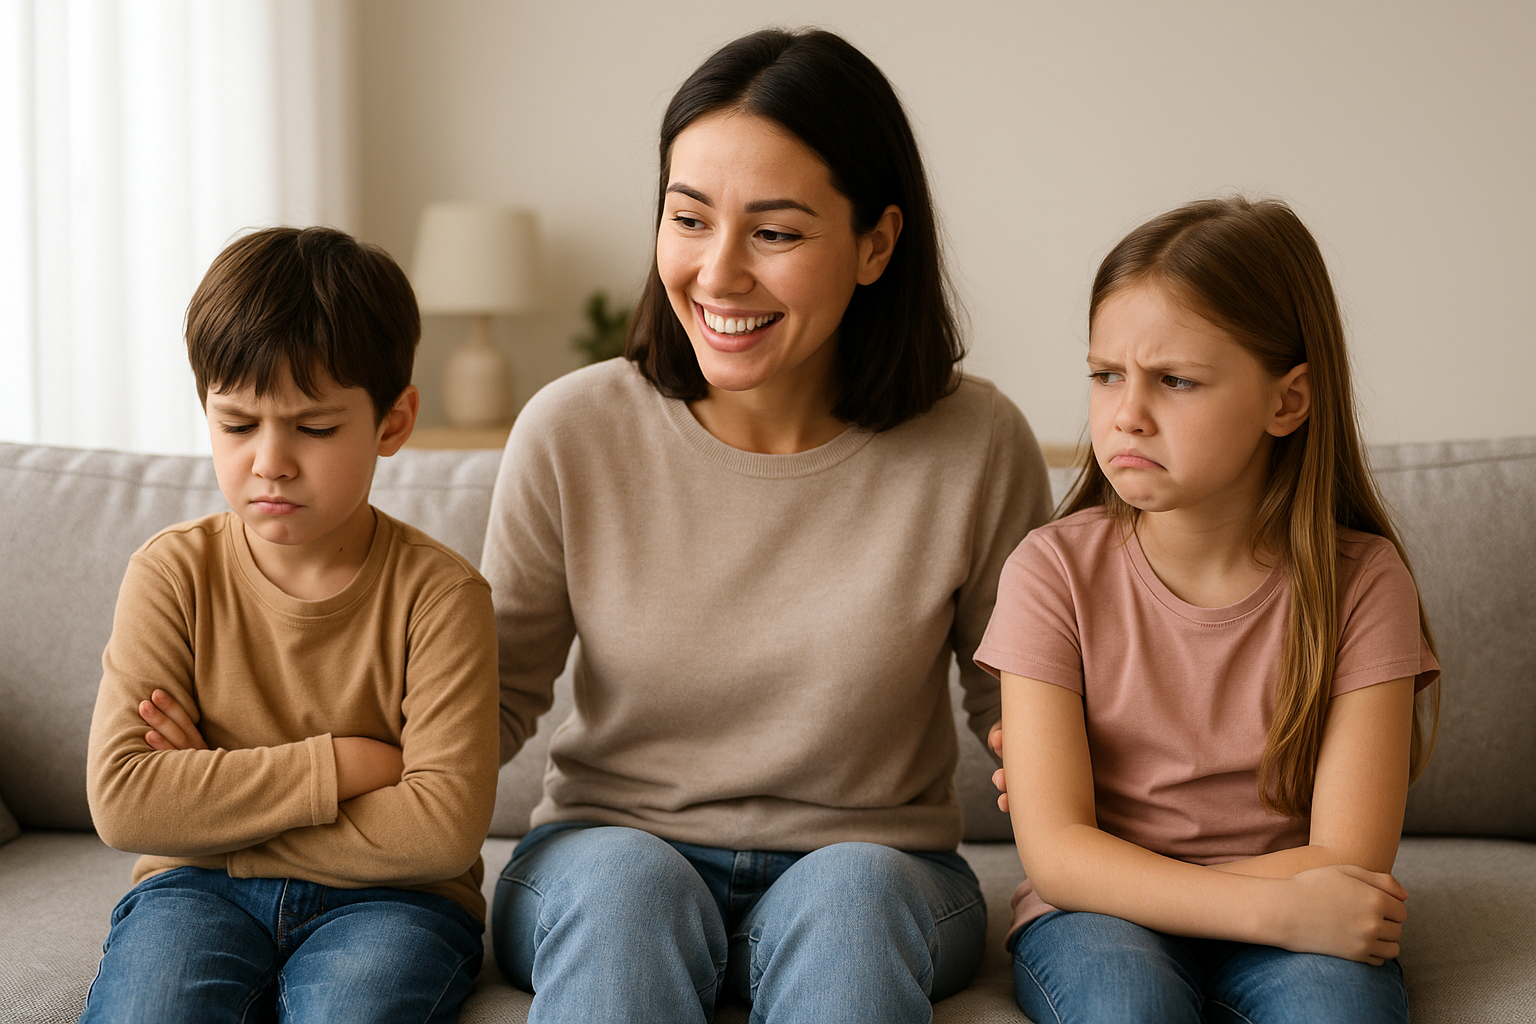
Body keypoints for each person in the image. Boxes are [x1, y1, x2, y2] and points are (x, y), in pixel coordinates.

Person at [482, 27, 1052, 1024]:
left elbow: (1018, 709)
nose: (720, 273)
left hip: (883, 871)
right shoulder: (572, 430)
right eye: (689, 219)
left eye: (776, 232)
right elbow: (483, 698)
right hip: (605, 851)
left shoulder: (977, 443)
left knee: (849, 896)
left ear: (877, 243)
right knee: (623, 890)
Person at [975, 196, 1441, 1023]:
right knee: (1125, 1008)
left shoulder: (1365, 582)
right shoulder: (1050, 572)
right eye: (1106, 374)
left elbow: (1351, 855)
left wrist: (1143, 879)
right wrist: (1278, 906)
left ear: (1287, 402)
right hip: (1104, 922)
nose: (1126, 413)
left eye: (1176, 381)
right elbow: (1058, 861)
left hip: (1288, 926)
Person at [83, 227, 500, 1023]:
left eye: (312, 428)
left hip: (397, 903)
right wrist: (342, 766)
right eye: (237, 425)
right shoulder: (171, 574)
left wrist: (213, 803)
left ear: (393, 421)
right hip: (191, 888)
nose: (270, 461)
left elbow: (442, 831)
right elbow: (126, 800)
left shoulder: (442, 596)